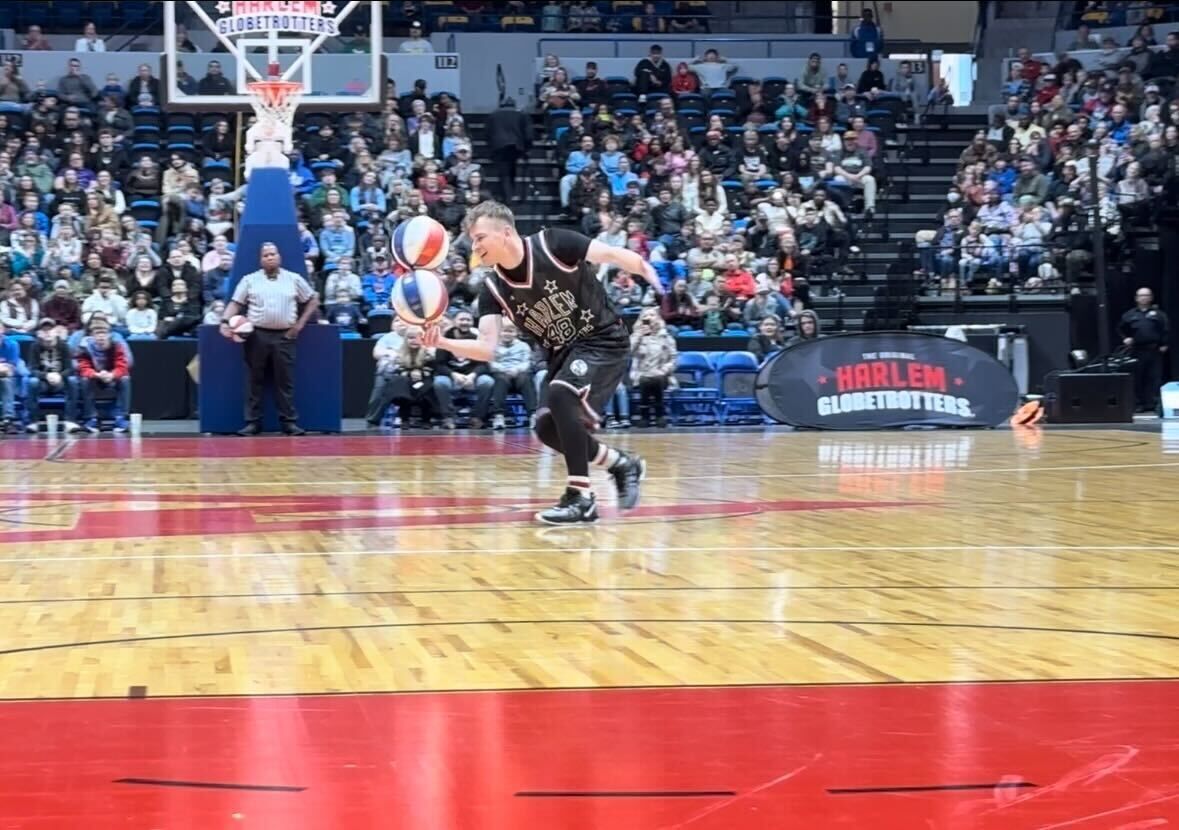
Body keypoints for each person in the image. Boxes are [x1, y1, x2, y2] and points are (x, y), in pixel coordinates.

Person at [421, 201, 661, 524]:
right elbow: (487, 348)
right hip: (562, 356)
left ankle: (581, 497)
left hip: (603, 341)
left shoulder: (554, 243)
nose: (474, 247)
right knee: (548, 428)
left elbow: (612, 255)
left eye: (479, 238)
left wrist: (643, 267)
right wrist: (443, 341)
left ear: (506, 232)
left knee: (562, 394)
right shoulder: (492, 289)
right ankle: (621, 463)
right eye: (473, 240)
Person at [220, 243, 320, 436]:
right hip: (256, 335)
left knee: (285, 381)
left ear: (279, 256)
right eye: (265, 255)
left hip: (285, 336)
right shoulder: (249, 280)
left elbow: (312, 299)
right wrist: (224, 322)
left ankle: (289, 423)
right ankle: (253, 423)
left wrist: (299, 325)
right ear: (260, 259)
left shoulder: (294, 279)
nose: (270, 257)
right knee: (253, 380)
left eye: (273, 254)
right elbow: (235, 303)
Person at [1119, 287, 1170, 413]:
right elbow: (1120, 329)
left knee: (1155, 378)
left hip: (1154, 350)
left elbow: (1166, 329)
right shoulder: (1130, 315)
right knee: (1138, 378)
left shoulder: (1159, 314)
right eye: (1141, 295)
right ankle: (1138, 404)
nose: (1144, 298)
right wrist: (1125, 338)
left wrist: (1165, 344)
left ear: (1151, 297)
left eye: (1147, 295)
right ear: (1136, 298)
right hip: (1137, 350)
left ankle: (1154, 404)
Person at [484, 98, 533, 204]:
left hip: (498, 146)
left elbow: (487, 133)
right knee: (511, 170)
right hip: (515, 146)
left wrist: (489, 147)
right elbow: (529, 133)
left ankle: (507, 196)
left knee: (504, 172)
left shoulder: (493, 115)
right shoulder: (521, 114)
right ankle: (509, 195)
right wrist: (527, 148)